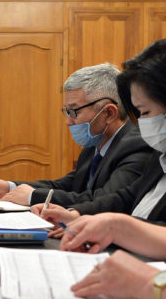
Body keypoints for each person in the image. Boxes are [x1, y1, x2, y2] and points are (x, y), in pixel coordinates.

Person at [0, 63, 152, 207]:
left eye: (74, 112)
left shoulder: (136, 146)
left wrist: (32, 196)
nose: (68, 121)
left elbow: (104, 200)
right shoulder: (95, 143)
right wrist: (10, 187)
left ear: (109, 113)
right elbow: (68, 185)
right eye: (66, 112)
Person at [37, 39, 166, 232]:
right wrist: (75, 215)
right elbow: (126, 197)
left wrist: (114, 228)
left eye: (145, 112)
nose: (141, 123)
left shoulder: (139, 146)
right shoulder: (160, 158)